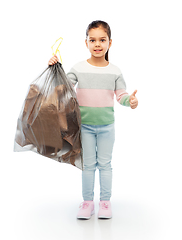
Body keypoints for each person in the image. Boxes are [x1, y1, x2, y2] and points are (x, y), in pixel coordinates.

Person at [48, 20, 138, 220]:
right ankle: (87, 203)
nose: (97, 44)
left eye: (102, 40)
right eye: (93, 40)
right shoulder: (78, 68)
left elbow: (121, 95)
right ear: (86, 43)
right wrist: (54, 66)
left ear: (110, 43)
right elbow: (64, 85)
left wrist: (129, 101)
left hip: (107, 127)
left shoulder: (115, 71)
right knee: (88, 165)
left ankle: (105, 203)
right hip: (84, 127)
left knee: (105, 164)